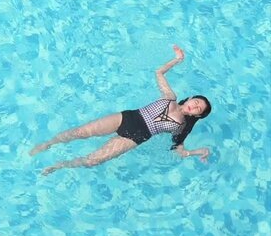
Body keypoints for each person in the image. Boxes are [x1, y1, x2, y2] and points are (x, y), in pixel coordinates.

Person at [30, 45, 212, 176]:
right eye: (196, 101)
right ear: (189, 99)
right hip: (127, 118)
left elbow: (178, 148)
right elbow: (159, 73)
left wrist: (197, 152)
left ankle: (58, 166)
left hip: (135, 137)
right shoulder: (170, 97)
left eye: (198, 109)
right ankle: (49, 143)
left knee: (93, 161)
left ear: (197, 115)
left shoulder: (181, 126)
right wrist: (177, 60)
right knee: (80, 132)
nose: (195, 105)